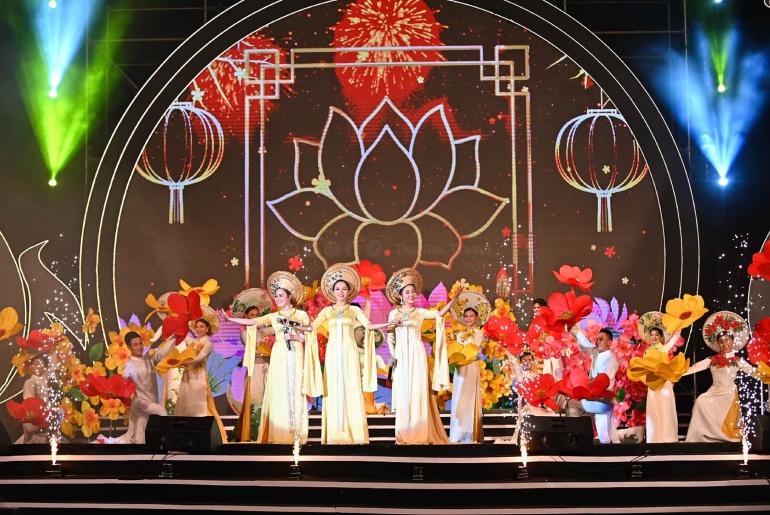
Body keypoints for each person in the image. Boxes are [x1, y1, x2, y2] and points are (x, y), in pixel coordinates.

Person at [301, 264, 392, 444]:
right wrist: (296, 327)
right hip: (333, 352)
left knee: (351, 386)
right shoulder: (327, 311)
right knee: (333, 387)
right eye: (337, 289)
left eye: (344, 289)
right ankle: (335, 433)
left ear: (349, 291)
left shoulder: (355, 310)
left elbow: (368, 325)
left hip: (350, 351)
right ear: (332, 291)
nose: (341, 292)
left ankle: (354, 434)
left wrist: (386, 324)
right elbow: (312, 327)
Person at [223, 273, 310, 444]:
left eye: (281, 295)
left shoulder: (300, 315)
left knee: (294, 389)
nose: (278, 299)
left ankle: (295, 433)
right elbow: (253, 322)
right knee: (278, 391)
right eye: (276, 296)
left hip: (295, 353)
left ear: (289, 296)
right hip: (278, 354)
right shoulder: (274, 317)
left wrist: (293, 336)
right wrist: (230, 319)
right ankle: (278, 433)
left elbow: (308, 332)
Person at [385, 268, 457, 445]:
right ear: (400, 295)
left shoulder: (420, 312)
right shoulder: (394, 313)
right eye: (407, 292)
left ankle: (419, 432)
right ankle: (404, 433)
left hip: (417, 354)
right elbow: (390, 336)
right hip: (401, 356)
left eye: (413, 292)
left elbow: (439, 315)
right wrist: (392, 356)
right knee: (403, 391)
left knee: (418, 391)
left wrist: (454, 299)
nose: (411, 295)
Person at [684, 311, 757, 443]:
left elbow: (752, 371)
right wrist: (676, 373)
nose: (725, 344)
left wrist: (765, 373)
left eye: (727, 340)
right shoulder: (712, 359)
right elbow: (695, 367)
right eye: (721, 342)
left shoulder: (737, 360)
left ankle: (721, 435)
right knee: (701, 401)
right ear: (718, 344)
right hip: (714, 391)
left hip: (728, 393)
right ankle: (704, 435)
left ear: (732, 341)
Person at [225, 288, 273, 442]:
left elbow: (279, 327)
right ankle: (253, 433)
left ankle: (269, 432)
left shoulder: (266, 331)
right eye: (252, 315)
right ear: (245, 317)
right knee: (255, 399)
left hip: (269, 368)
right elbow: (255, 350)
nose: (255, 317)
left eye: (257, 315)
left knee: (268, 400)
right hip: (255, 368)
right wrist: (271, 353)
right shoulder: (245, 334)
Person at [173, 307, 227, 442]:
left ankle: (210, 434)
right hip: (188, 375)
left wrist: (185, 362)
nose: (198, 329)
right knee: (186, 403)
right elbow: (184, 337)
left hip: (198, 376)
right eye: (197, 327)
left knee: (201, 404)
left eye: (202, 327)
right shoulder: (195, 342)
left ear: (208, 328)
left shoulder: (208, 344)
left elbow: (199, 358)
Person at [448, 292, 491, 443]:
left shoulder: (479, 333)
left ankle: (469, 435)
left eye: (471, 316)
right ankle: (457, 435)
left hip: (471, 366)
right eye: (466, 316)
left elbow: (474, 348)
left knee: (470, 398)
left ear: (476, 317)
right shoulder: (459, 334)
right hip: (460, 368)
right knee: (459, 398)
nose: (468, 319)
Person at [119, 331, 175, 444]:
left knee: (140, 435)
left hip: (150, 402)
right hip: (139, 402)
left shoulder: (150, 360)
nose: (139, 347)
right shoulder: (129, 365)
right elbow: (124, 381)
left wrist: (178, 334)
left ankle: (136, 447)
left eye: (140, 343)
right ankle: (168, 441)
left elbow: (165, 349)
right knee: (161, 410)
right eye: (135, 345)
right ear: (129, 347)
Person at [636, 313, 682, 443]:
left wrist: (679, 323)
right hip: (652, 384)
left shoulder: (664, 348)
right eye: (652, 335)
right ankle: (654, 438)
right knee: (654, 410)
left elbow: (675, 337)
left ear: (661, 337)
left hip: (664, 383)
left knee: (665, 409)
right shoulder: (646, 351)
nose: (654, 337)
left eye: (657, 335)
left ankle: (668, 438)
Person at [570, 327, 619, 444]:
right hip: (595, 398)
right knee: (611, 436)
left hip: (602, 401)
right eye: (597, 339)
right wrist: (571, 327)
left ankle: (574, 436)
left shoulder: (610, 360)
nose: (597, 341)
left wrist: (586, 392)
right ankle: (577, 437)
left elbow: (604, 383)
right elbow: (585, 342)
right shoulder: (596, 353)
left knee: (605, 439)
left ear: (609, 342)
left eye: (601, 339)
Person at [15, 354, 49, 444]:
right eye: (37, 364)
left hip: (44, 417)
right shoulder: (30, 382)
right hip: (35, 418)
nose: (40, 366)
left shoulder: (45, 381)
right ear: (31, 367)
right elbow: (29, 402)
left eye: (42, 364)